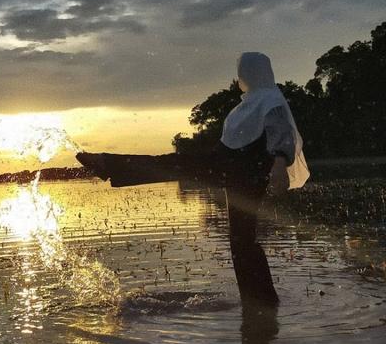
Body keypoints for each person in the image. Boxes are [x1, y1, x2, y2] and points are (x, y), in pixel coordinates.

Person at [76, 52, 310, 307]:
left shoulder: (270, 100)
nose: (241, 77)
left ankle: (108, 164)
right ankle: (260, 302)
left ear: (254, 72)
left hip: (246, 173)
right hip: (229, 166)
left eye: (244, 72)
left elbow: (282, 134)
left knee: (175, 167)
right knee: (240, 240)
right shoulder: (248, 103)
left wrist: (279, 163)